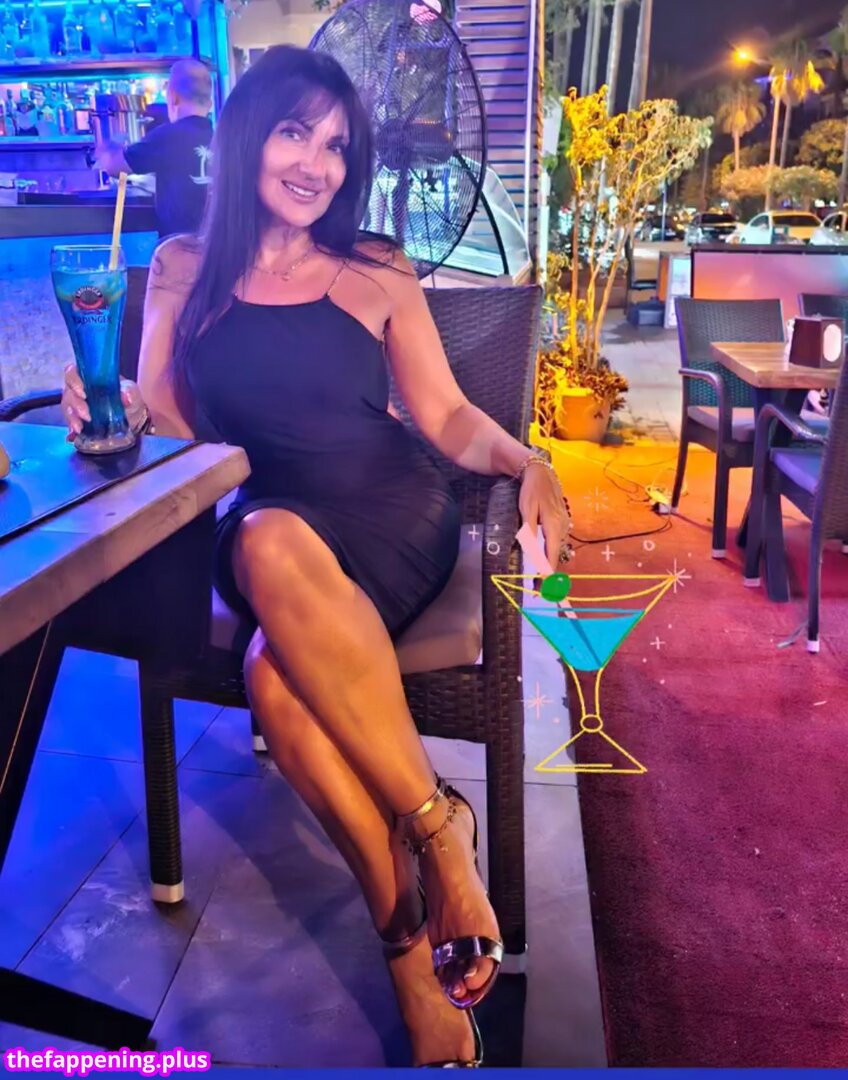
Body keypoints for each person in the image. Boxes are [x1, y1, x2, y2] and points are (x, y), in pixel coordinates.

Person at [62, 45, 571, 1068]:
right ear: (247, 136)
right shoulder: (182, 267)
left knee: (270, 671)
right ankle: (435, 844)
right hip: (266, 523)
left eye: (337, 145)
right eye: (294, 132)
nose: (317, 164)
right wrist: (107, 407)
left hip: (389, 511)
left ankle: (415, 913)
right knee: (265, 550)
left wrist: (530, 459)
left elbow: (444, 416)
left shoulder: (374, 266)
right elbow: (169, 419)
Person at [95, 59, 214, 239]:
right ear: (210, 104)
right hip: (216, 243)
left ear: (173, 97)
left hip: (177, 246)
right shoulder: (221, 137)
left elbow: (113, 167)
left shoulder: (168, 136)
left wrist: (108, 146)